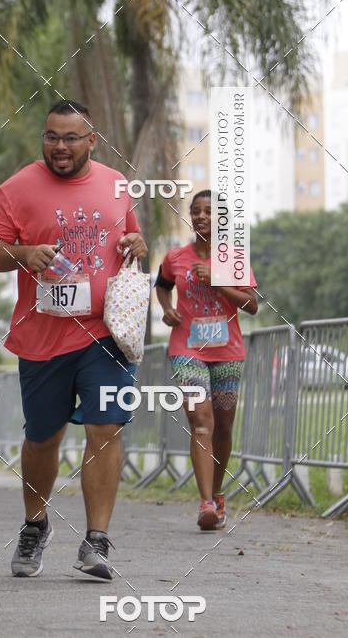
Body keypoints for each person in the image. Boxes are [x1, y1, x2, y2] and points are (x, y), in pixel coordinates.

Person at [0, 99, 147, 580]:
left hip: (106, 334)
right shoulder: (17, 188)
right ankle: (35, 524)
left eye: (71, 138)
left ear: (92, 140)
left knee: (105, 428)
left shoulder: (116, 183)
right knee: (42, 437)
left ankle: (97, 540)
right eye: (52, 137)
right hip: (44, 335)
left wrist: (139, 243)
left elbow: (133, 240)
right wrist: (23, 252)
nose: (60, 147)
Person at [154, 189, 258, 530]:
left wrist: (218, 281)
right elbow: (162, 285)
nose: (201, 216)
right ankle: (206, 504)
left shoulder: (234, 258)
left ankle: (217, 493)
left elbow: (252, 305)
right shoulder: (175, 257)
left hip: (228, 353)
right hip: (187, 351)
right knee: (201, 421)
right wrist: (167, 308)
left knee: (223, 427)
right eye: (196, 211)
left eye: (209, 212)